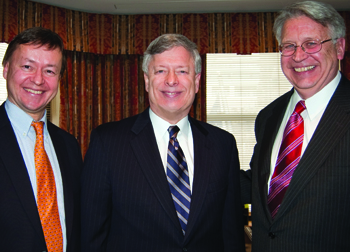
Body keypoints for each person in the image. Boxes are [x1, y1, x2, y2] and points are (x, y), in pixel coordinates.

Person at [81, 34, 245, 251]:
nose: (171, 80)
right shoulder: (108, 142)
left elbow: (231, 234)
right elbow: (91, 236)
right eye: (160, 71)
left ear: (196, 82)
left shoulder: (223, 145)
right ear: (147, 80)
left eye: (182, 71)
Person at [240, 1, 349, 251]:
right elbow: (261, 185)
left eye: (311, 43)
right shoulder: (269, 115)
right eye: (289, 46)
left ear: (340, 47)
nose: (299, 56)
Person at [0, 27, 82, 251]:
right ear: (6, 69)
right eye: (27, 66)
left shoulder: (69, 145)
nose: (38, 80)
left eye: (49, 71)